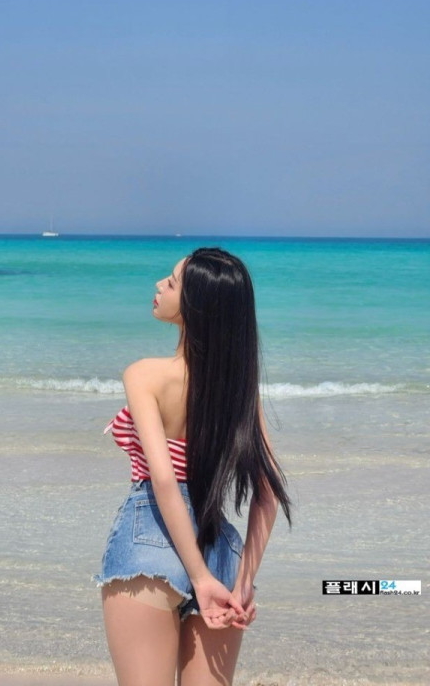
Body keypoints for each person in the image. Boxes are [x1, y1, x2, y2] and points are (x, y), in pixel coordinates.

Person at [94, 247, 292, 686]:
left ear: (196, 305)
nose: (159, 285)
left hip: (150, 541)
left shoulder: (144, 374)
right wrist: (244, 581)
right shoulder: (239, 390)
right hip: (219, 548)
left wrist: (198, 578)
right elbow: (269, 493)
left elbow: (164, 480)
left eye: (171, 281)